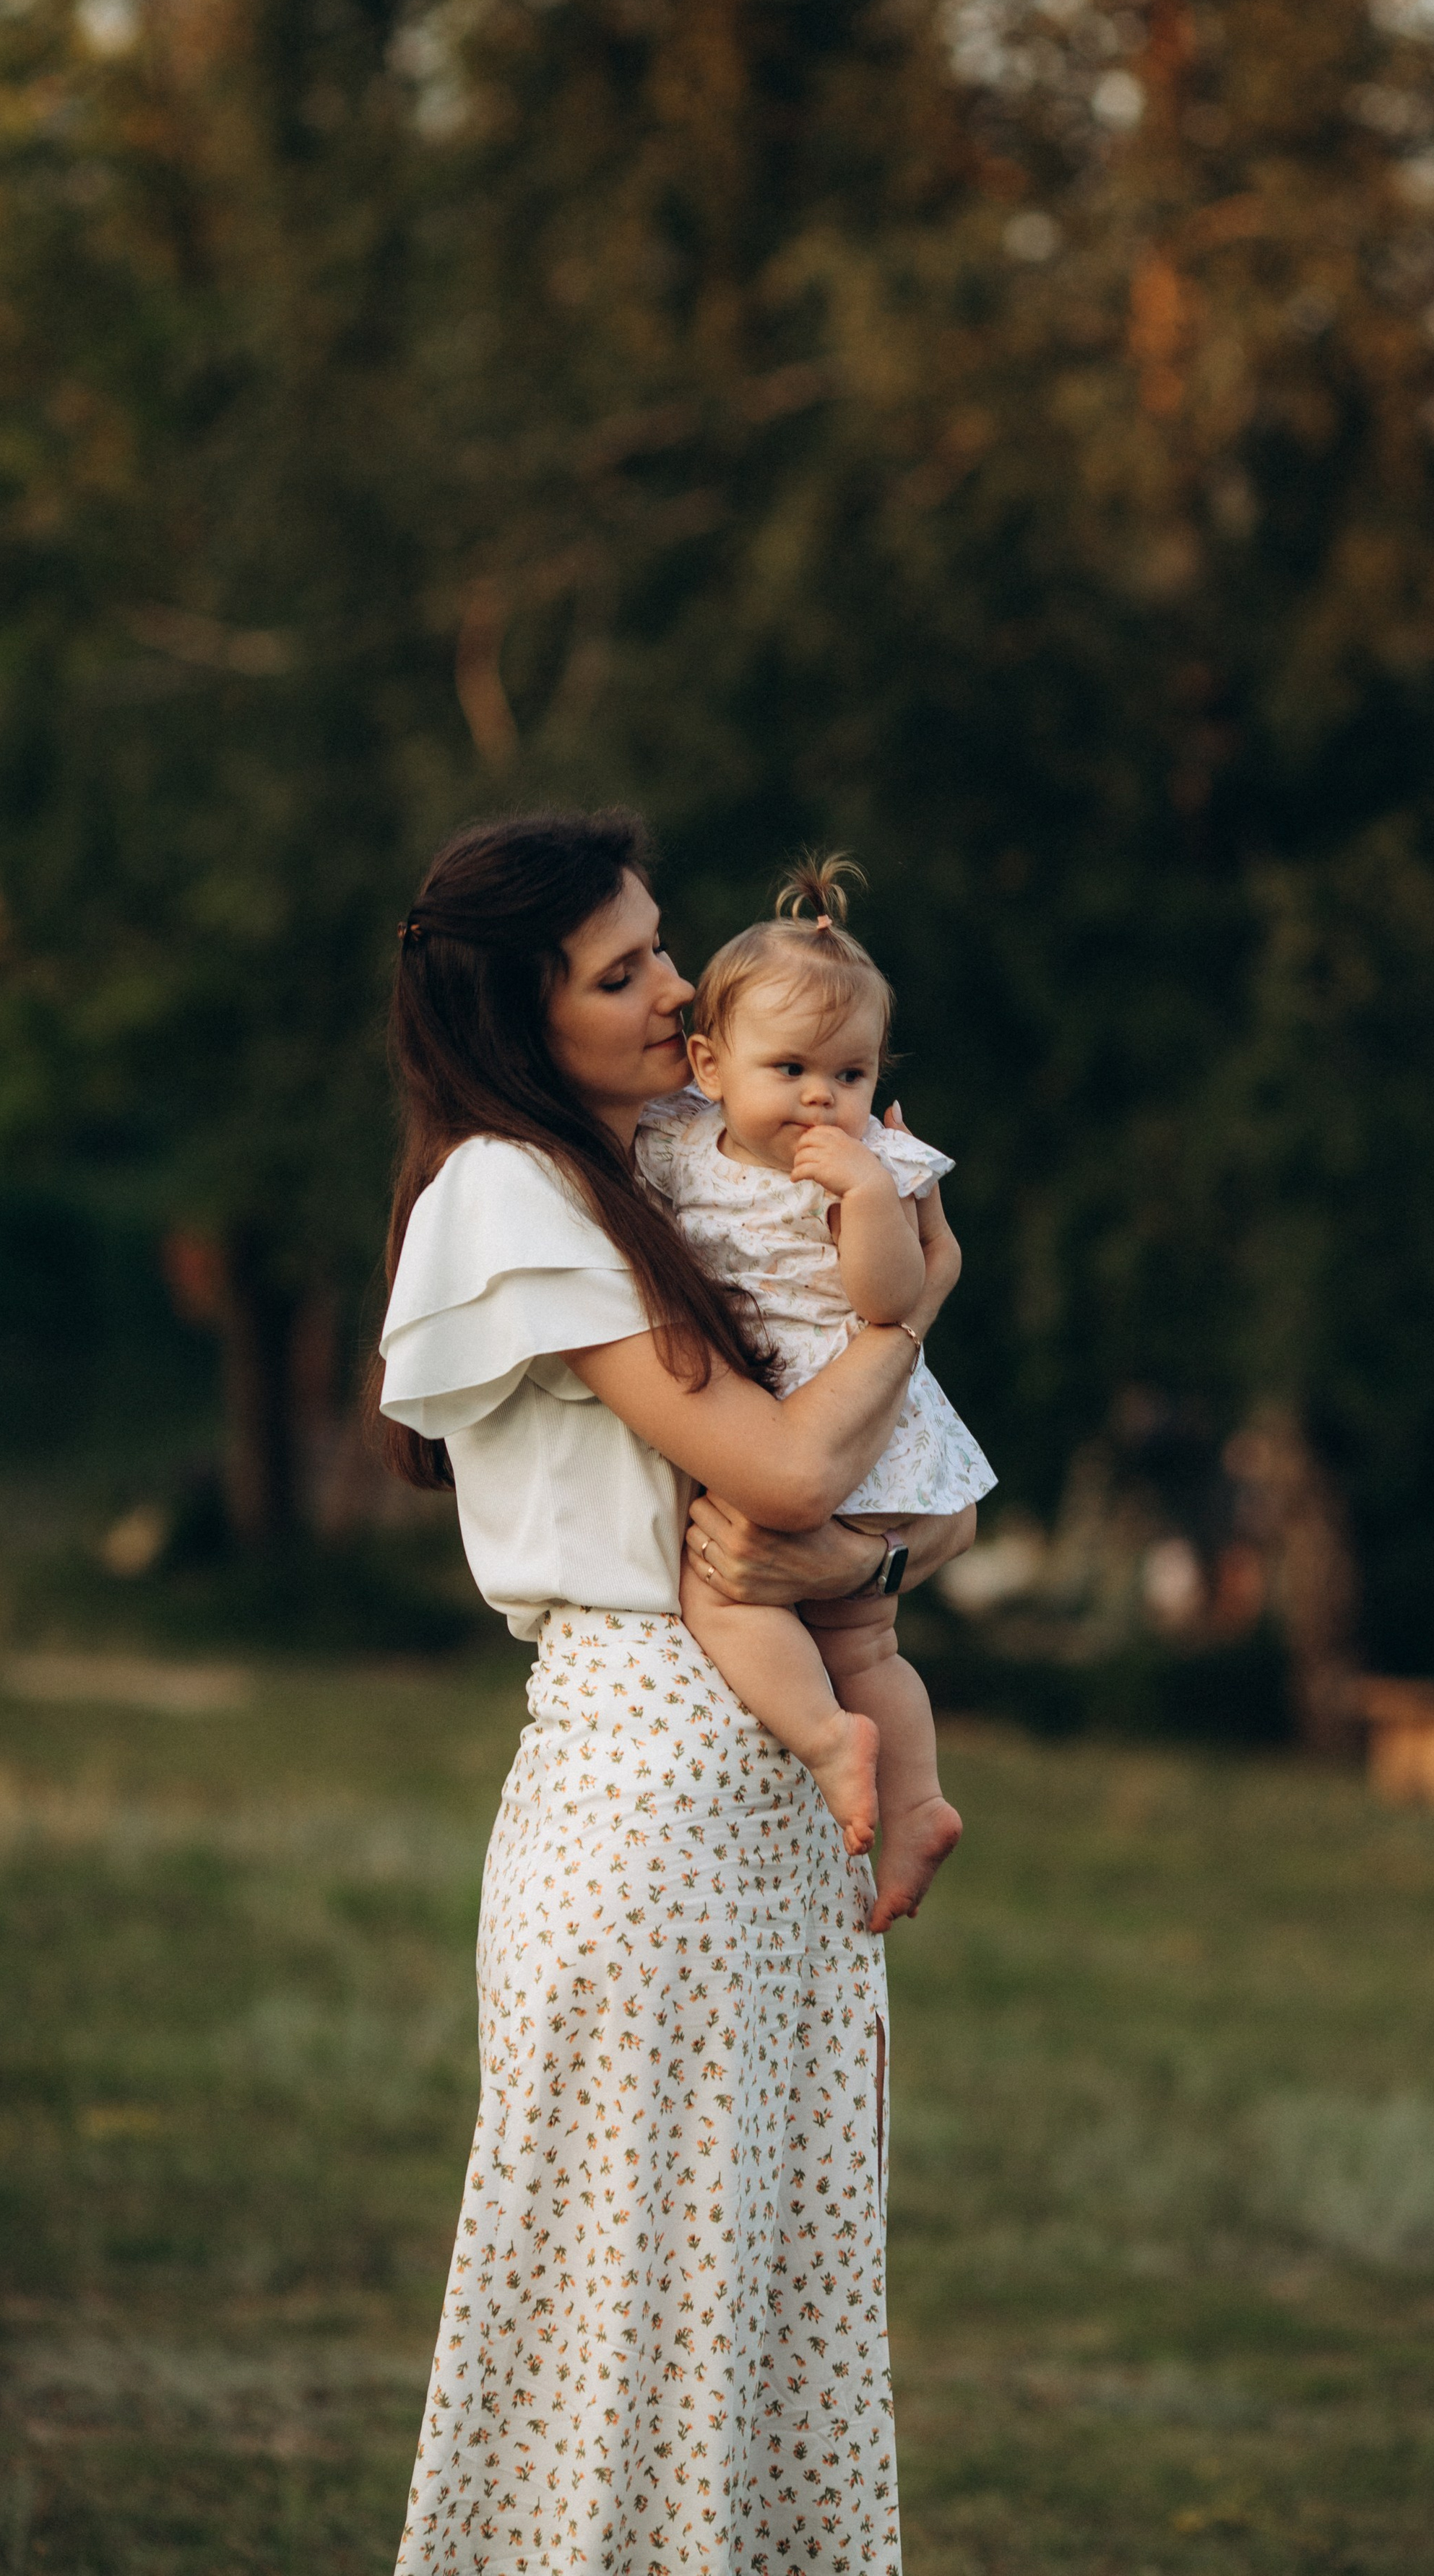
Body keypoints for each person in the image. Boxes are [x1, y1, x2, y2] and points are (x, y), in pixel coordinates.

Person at [373, 809, 975, 2576]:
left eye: (659, 949)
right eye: (618, 967)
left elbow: (901, 1520)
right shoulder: (510, 1188)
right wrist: (898, 1329)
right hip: (644, 1785)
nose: (666, 986)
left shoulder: (697, 1156)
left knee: (766, 2300)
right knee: (625, 2311)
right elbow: (784, 1479)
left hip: (783, 1785)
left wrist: (865, 1565)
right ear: (512, 1008)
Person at [636, 854, 993, 1933]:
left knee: (732, 1593)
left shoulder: (873, 1165)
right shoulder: (675, 1138)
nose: (817, 1098)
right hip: (792, 1420)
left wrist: (870, 1197)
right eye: (787, 1067)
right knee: (858, 1642)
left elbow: (896, 1302)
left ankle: (842, 1746)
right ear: (707, 1064)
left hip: (858, 1430)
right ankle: (916, 1804)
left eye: (847, 1073)